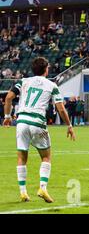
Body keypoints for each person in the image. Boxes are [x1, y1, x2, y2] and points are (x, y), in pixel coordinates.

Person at [2, 57, 75, 203]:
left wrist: (7, 116)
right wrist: (69, 125)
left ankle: (23, 192)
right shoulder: (51, 85)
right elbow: (60, 108)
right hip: (37, 122)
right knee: (46, 157)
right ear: (46, 69)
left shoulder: (23, 81)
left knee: (22, 157)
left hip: (21, 122)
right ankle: (43, 187)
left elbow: (9, 97)